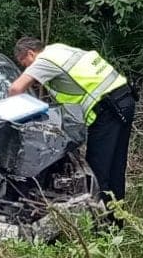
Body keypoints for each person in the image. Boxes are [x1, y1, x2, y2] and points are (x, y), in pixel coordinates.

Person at [9, 38, 135, 217]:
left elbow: (16, 89)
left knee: (98, 171)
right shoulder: (58, 50)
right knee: (116, 167)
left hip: (108, 109)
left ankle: (102, 226)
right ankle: (116, 222)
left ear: (30, 53)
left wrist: (8, 113)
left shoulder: (44, 61)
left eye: (25, 64)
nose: (27, 70)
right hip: (124, 100)